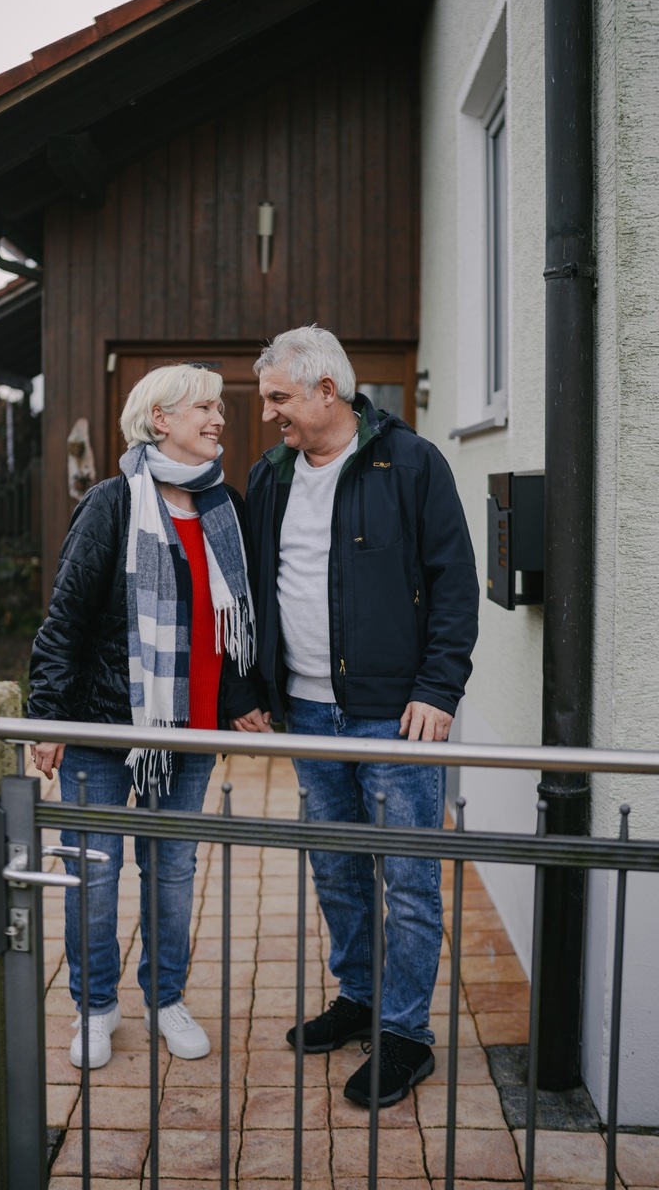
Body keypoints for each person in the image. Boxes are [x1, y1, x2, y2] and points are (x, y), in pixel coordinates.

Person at [244, 326, 478, 1108]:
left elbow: (454, 582)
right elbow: (251, 589)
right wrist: (253, 689)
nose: (269, 413)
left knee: (408, 879)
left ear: (327, 390)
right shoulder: (271, 475)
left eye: (278, 397)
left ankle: (406, 1034)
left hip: (395, 715)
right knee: (338, 868)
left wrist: (438, 689)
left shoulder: (410, 463)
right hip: (308, 712)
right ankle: (361, 997)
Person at [28, 363, 271, 1069]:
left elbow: (229, 625)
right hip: (104, 727)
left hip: (190, 730)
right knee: (95, 876)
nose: (219, 418)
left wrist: (241, 699)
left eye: (219, 407)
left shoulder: (225, 507)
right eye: (204, 407)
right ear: (159, 419)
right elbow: (66, 618)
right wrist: (48, 717)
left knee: (171, 875)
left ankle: (166, 999)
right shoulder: (111, 503)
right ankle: (95, 1006)